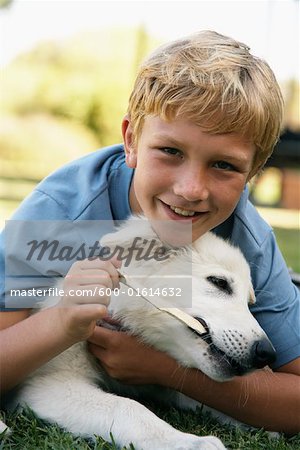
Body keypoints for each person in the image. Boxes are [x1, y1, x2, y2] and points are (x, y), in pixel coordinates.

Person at [0, 30, 299, 434]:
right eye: (171, 152)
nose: (191, 189)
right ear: (131, 140)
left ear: (253, 173)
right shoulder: (56, 220)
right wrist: (59, 323)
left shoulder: (249, 242)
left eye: (224, 165)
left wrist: (166, 371)